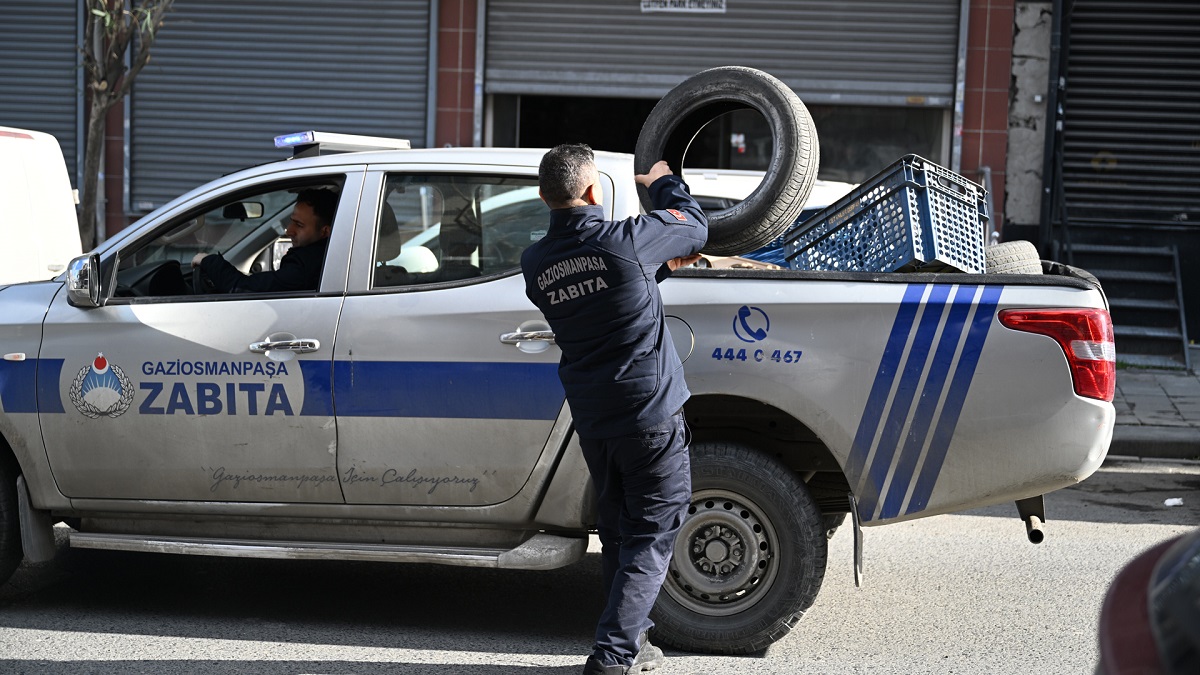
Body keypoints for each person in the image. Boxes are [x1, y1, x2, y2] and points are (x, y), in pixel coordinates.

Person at [520, 144, 707, 675]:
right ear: (594, 191)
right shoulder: (625, 240)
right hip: (648, 415)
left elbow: (603, 294)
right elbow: (693, 225)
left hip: (596, 419)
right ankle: (612, 657)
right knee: (652, 531)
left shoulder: (535, 263)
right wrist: (661, 183)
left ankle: (637, 642)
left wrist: (658, 266)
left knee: (621, 530)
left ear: (543, 196)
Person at [191, 188, 337, 293]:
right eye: (291, 221)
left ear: (325, 231)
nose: (288, 230)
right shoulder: (327, 257)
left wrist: (208, 261)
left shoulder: (305, 267)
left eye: (299, 225)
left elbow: (242, 288)